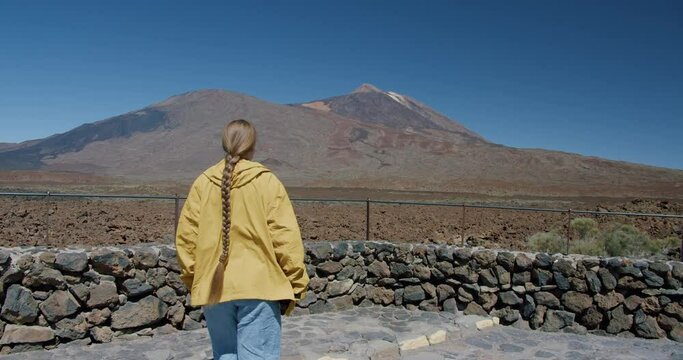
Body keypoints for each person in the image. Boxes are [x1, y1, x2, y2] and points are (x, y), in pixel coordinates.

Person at [175, 119, 309, 360]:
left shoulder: (202, 182)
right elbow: (285, 238)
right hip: (260, 287)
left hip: (214, 288)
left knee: (224, 355)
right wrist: (296, 283)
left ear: (224, 143)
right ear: (252, 146)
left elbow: (186, 239)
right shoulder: (266, 181)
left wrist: (197, 279)